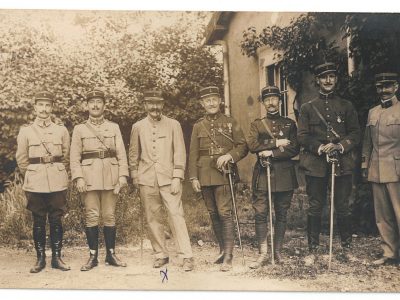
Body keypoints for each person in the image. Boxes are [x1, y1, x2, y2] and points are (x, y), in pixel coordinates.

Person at [297, 62, 361, 261]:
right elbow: (302, 135)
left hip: (341, 162)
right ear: (317, 80)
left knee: (342, 205)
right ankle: (313, 250)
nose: (328, 80)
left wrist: (340, 146)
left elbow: (356, 133)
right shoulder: (308, 108)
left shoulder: (346, 106)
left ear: (336, 79)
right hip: (315, 164)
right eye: (324, 77)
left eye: (332, 76)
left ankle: (347, 248)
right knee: (315, 205)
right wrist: (319, 147)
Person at [128, 89, 194, 271]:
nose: (155, 107)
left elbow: (180, 152)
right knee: (152, 218)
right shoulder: (138, 127)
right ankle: (160, 254)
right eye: (151, 103)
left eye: (158, 103)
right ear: (145, 106)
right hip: (146, 179)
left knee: (176, 215)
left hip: (169, 178)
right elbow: (133, 153)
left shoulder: (174, 125)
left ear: (163, 105)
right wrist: (135, 175)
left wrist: (177, 176)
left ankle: (186, 255)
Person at [188, 86, 248, 271]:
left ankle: (229, 255)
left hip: (224, 171)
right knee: (213, 213)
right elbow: (193, 153)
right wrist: (193, 177)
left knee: (224, 212)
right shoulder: (198, 125)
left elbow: (243, 146)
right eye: (207, 100)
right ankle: (223, 249)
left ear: (220, 100)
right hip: (205, 173)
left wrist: (230, 156)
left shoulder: (230, 122)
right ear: (202, 104)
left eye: (214, 99)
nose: (212, 103)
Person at [70, 89, 129, 271]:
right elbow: (74, 156)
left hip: (111, 176)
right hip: (88, 178)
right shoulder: (79, 129)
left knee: (110, 215)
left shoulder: (114, 127)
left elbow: (121, 153)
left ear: (104, 105)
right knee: (92, 215)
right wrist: (78, 177)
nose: (95, 105)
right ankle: (93, 256)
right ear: (86, 106)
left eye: (99, 102)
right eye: (92, 102)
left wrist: (123, 175)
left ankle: (111, 254)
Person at [16, 91, 71, 273]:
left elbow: (66, 156)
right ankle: (40, 259)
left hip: (57, 180)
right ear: (35, 108)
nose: (44, 109)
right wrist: (32, 174)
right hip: (35, 181)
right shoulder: (26, 131)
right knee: (38, 220)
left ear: (52, 108)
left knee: (56, 219)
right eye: (41, 105)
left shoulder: (61, 130)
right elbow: (22, 159)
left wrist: (57, 171)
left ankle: (56, 257)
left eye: (48, 105)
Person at [246, 86, 299, 268]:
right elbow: (252, 144)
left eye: (274, 98)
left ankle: (277, 251)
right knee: (260, 213)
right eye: (267, 100)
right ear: (263, 102)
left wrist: (271, 153)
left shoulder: (289, 124)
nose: (271, 102)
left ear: (280, 100)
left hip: (284, 175)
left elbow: (294, 148)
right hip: (262, 174)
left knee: (281, 214)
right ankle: (262, 253)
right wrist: (276, 143)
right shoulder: (257, 124)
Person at [362, 72, 400, 266]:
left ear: (396, 87)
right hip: (376, 169)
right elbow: (367, 142)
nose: (383, 91)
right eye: (379, 87)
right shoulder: (373, 112)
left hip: (396, 169)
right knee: (382, 216)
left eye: (387, 86)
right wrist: (364, 164)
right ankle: (389, 252)